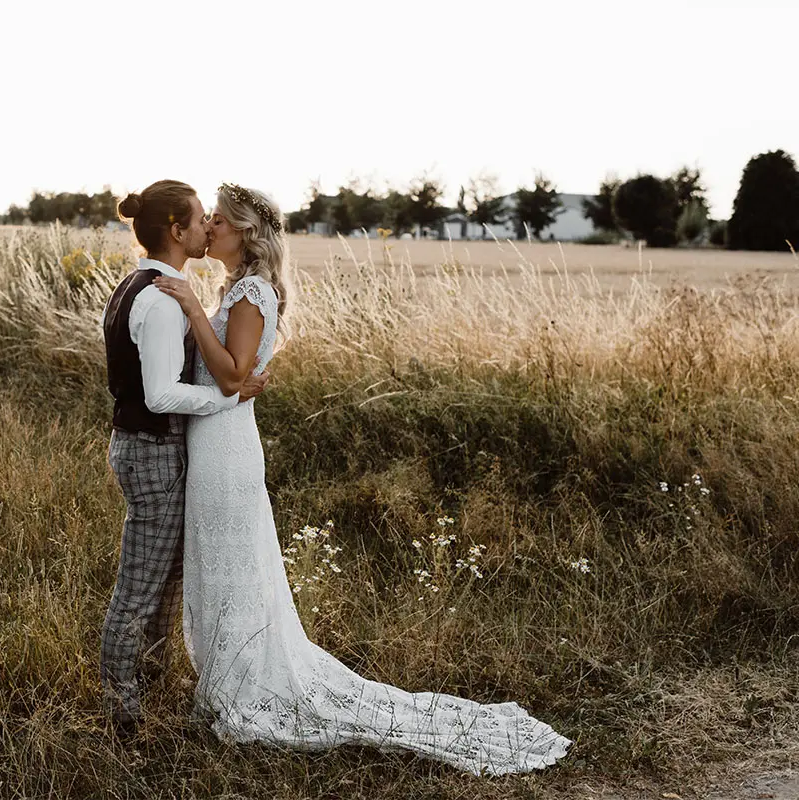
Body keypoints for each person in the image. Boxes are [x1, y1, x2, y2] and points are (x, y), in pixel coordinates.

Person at [151, 182, 572, 776]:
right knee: (226, 564)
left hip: (225, 448)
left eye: (218, 219)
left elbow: (231, 377)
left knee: (233, 563)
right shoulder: (236, 289)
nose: (209, 227)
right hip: (216, 441)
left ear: (243, 231)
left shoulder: (248, 292)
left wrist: (193, 309)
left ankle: (246, 689)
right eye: (208, 218)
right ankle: (230, 679)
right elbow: (232, 378)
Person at [99, 179, 268, 735]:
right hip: (152, 451)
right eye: (199, 219)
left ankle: (147, 690)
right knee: (140, 588)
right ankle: (123, 713)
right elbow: (162, 395)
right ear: (176, 231)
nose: (206, 227)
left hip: (145, 448)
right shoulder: (162, 299)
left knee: (165, 581)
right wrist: (228, 394)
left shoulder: (139, 285)